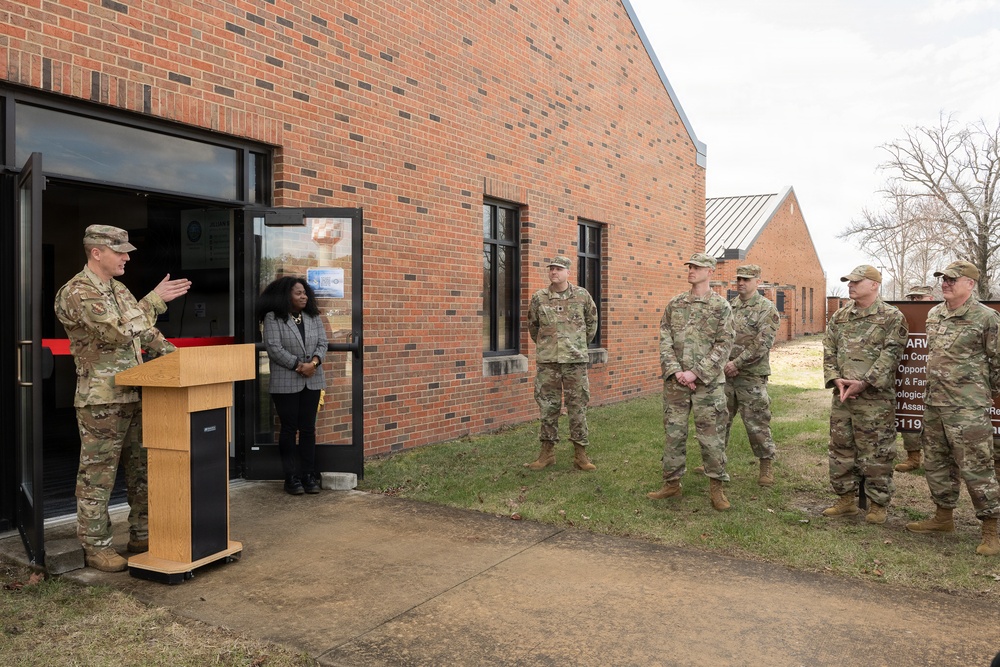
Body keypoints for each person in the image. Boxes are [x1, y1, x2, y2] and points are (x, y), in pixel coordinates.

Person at [54, 225, 191, 572]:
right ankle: (96, 546)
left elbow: (145, 331)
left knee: (143, 470)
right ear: (96, 252)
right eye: (120, 252)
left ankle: (142, 535)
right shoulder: (77, 291)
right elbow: (116, 331)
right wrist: (154, 300)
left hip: (137, 392)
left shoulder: (120, 289)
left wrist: (181, 361)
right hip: (102, 399)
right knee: (98, 476)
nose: (127, 257)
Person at [906, 261, 1000, 556]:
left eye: (951, 279)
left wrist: (979, 393)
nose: (945, 283)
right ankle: (943, 517)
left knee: (976, 468)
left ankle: (991, 530)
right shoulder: (935, 314)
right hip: (934, 404)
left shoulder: (987, 318)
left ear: (970, 284)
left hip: (967, 407)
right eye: (943, 279)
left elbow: (996, 363)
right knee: (936, 464)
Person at [648, 253, 735, 510]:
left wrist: (696, 373)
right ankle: (672, 484)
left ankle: (716, 488)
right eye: (690, 267)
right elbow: (665, 340)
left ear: (710, 272)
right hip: (676, 383)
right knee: (674, 434)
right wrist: (677, 372)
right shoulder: (675, 304)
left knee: (711, 436)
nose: (691, 270)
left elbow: (724, 345)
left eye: (697, 267)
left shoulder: (721, 307)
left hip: (707, 384)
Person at [821, 265, 907, 524]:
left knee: (877, 452)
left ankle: (878, 504)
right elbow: (829, 349)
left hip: (875, 400)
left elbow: (892, 355)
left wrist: (864, 383)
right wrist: (836, 379)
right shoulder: (840, 316)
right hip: (843, 397)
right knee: (840, 448)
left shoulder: (892, 317)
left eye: (857, 282)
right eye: (849, 281)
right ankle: (846, 499)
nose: (850, 285)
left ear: (874, 284)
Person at [524, 256, 599, 472]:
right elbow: (533, 327)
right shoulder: (539, 298)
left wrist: (578, 345)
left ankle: (580, 454)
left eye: (558, 269)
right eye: (551, 269)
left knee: (577, 406)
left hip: (575, 362)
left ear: (568, 272)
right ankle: (547, 453)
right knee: (548, 406)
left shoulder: (582, 296)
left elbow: (591, 323)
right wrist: (548, 346)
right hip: (549, 363)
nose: (554, 272)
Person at [259, 276, 329, 495]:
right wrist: (300, 366)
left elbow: (323, 343)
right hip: (286, 381)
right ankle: (291, 478)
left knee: (308, 429)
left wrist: (314, 363)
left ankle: (308, 476)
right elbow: (274, 348)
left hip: (313, 380)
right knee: (289, 430)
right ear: (286, 295)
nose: (304, 296)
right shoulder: (273, 318)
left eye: (305, 293)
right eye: (298, 293)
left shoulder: (313, 317)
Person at [723, 264, 781, 487]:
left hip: (751, 376)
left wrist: (736, 364)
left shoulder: (767, 309)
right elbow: (723, 337)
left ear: (758, 281)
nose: (741, 283)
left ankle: (766, 465)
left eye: (746, 279)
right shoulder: (730, 307)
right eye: (739, 278)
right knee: (720, 420)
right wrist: (726, 364)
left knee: (757, 423)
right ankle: (716, 460)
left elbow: (762, 344)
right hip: (727, 376)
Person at [895, 285, 936, 474]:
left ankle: (939, 460)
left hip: (937, 378)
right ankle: (913, 457)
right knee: (909, 415)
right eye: (912, 298)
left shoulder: (941, 314)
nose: (914, 302)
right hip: (911, 374)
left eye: (919, 298)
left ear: (930, 298)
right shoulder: (905, 316)